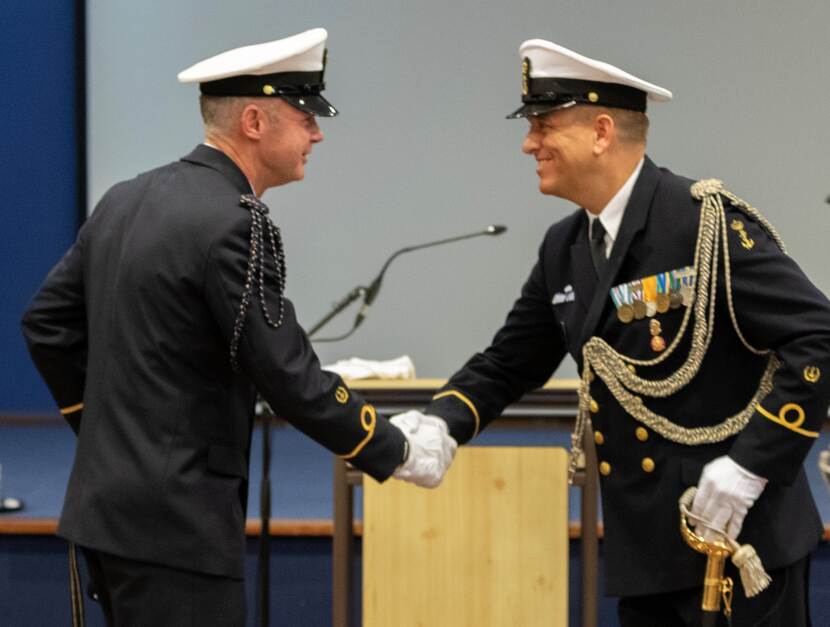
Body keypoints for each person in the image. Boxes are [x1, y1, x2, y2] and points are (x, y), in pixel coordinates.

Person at [21, 28, 455, 626]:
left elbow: (47, 324)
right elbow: (287, 372)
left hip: (107, 514)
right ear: (254, 121)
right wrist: (396, 449)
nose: (318, 133)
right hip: (179, 528)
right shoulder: (234, 222)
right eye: (305, 116)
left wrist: (99, 429)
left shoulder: (124, 197)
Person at [412, 39, 830, 625]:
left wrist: (751, 465)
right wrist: (440, 424)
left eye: (543, 125)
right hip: (648, 551)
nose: (529, 143)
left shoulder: (700, 223)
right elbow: (511, 360)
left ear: (601, 131)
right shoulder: (565, 246)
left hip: (737, 539)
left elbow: (818, 336)